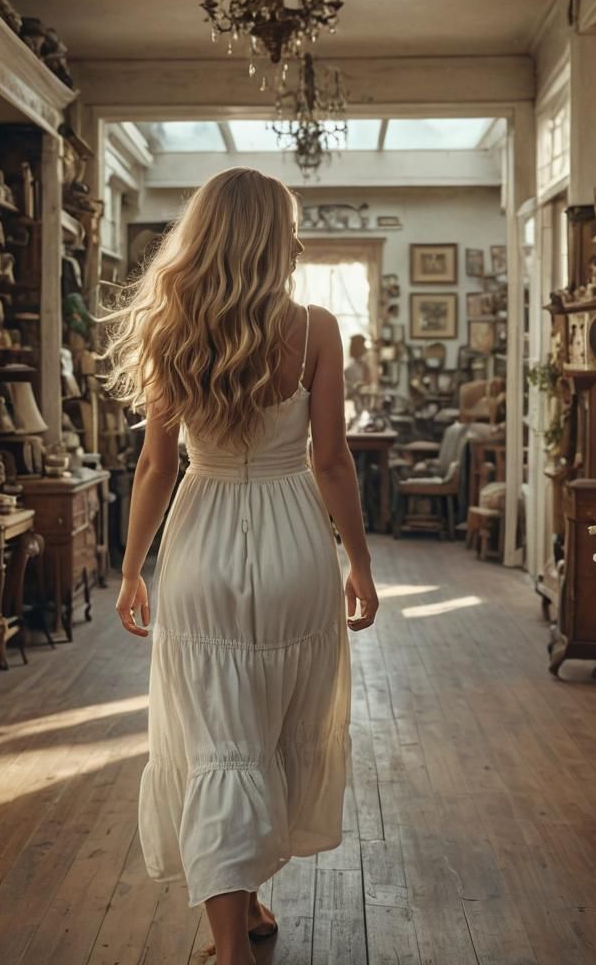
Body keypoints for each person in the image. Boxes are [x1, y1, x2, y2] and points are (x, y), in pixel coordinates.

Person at [102, 166, 378, 965]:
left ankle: (232, 931)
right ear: (269, 240)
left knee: (222, 737)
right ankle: (242, 919)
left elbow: (156, 467)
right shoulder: (315, 329)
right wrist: (359, 564)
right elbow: (333, 461)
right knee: (278, 723)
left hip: (202, 541)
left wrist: (132, 568)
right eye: (290, 229)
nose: (299, 244)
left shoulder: (173, 327)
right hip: (294, 543)